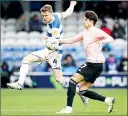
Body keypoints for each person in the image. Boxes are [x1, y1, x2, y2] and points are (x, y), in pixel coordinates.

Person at [6, 2, 88, 106]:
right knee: (26, 59)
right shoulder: (56, 15)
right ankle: (20, 83)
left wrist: (47, 55)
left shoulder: (54, 28)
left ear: (51, 13)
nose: (44, 18)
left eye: (46, 15)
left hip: (55, 53)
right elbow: (67, 13)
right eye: (43, 16)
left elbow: (55, 45)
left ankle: (80, 92)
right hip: (49, 50)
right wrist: (72, 4)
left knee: (59, 80)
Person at [56, 10, 115, 114]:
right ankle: (107, 100)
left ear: (91, 21)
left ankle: (68, 109)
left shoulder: (95, 31)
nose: (83, 21)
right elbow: (71, 40)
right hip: (96, 65)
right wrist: (58, 41)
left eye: (85, 19)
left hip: (93, 64)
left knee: (72, 81)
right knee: (82, 90)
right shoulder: (84, 33)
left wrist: (101, 41)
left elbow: (110, 39)